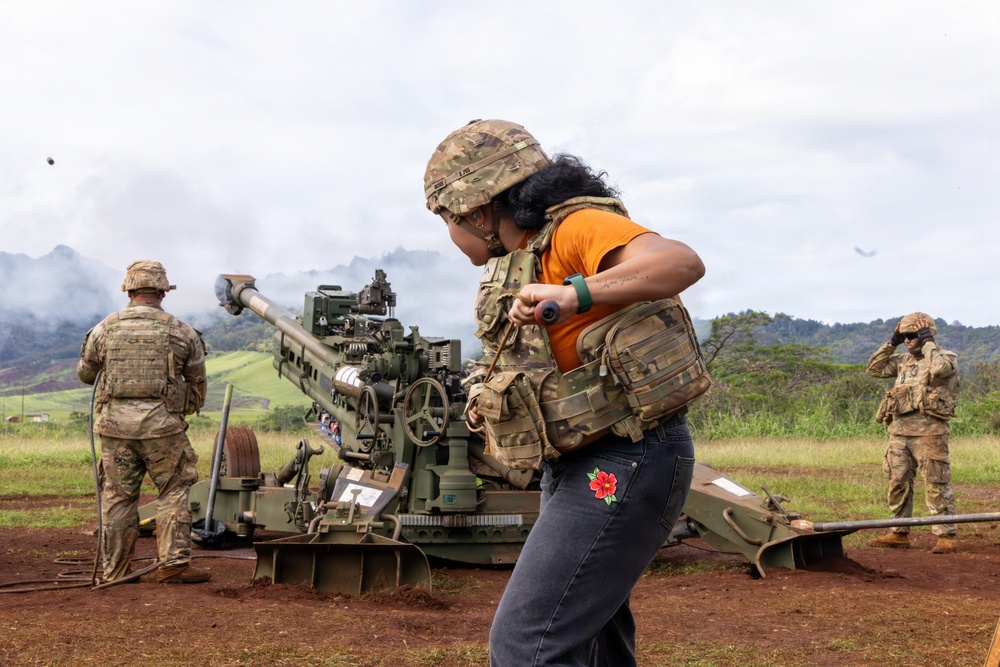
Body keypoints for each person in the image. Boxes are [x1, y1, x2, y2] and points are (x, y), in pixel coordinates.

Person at [424, 119, 706, 666]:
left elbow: (680, 262)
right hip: (576, 461)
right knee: (591, 643)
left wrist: (574, 293)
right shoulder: (521, 256)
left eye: (446, 219)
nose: (450, 234)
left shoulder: (577, 227)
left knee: (527, 644)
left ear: (477, 212)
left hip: (626, 458)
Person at [78, 260, 211, 583]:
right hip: (164, 429)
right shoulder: (181, 331)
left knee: (118, 497)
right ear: (163, 292)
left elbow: (86, 374)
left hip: (114, 430)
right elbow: (197, 382)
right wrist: (179, 410)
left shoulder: (104, 329)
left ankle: (116, 571)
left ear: (129, 290)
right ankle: (173, 565)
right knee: (173, 491)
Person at [866, 312, 960, 554]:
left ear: (927, 334)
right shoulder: (902, 361)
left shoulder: (946, 357)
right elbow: (874, 369)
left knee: (936, 483)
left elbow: (939, 369)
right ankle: (898, 532)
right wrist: (892, 342)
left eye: (912, 335)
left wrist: (927, 342)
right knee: (897, 481)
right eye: (904, 336)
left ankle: (945, 535)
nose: (907, 340)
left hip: (930, 433)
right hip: (899, 432)